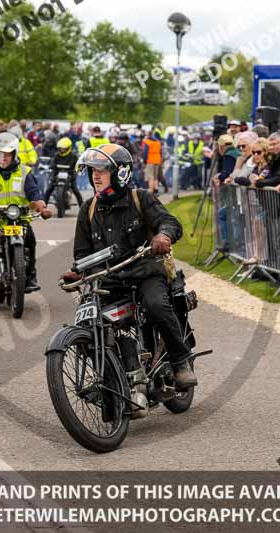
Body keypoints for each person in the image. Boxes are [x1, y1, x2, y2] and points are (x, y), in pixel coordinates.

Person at [64, 143, 195, 390]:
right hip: (110, 280)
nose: (95, 175)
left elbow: (169, 222)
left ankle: (180, 361)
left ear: (120, 173)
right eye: (92, 170)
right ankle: (111, 378)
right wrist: (77, 272)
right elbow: (82, 254)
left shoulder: (141, 198)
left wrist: (163, 236)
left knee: (156, 305)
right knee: (87, 323)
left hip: (145, 273)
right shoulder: (87, 209)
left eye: (102, 170)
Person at [0, 132, 51, 292]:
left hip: (18, 216)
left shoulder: (25, 171)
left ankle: (30, 276)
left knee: (30, 240)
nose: (3, 158)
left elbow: (34, 193)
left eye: (7, 154)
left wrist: (43, 208)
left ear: (14, 154)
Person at [43, 137, 83, 209]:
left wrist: (76, 170)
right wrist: (51, 168)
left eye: (64, 149)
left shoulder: (73, 156)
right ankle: (43, 206)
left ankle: (83, 207)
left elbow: (78, 165)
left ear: (68, 148)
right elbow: (52, 164)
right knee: (49, 189)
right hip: (57, 175)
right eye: (61, 148)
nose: (62, 150)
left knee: (76, 190)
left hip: (70, 175)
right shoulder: (56, 156)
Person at [142, 129, 163, 195]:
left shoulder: (147, 142)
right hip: (157, 160)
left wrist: (144, 161)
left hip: (150, 160)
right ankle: (156, 189)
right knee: (155, 176)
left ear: (148, 135)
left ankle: (151, 191)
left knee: (150, 176)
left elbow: (145, 152)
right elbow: (160, 152)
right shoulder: (158, 142)